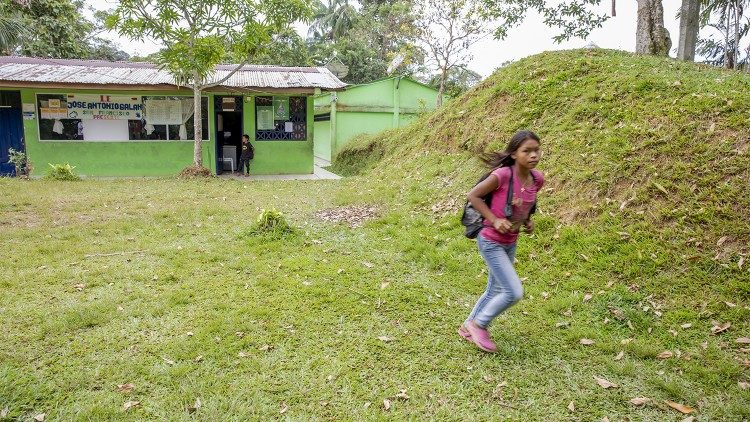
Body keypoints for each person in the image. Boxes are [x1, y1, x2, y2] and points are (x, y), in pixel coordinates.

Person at [459, 130, 544, 353]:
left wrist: (527, 220)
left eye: (536, 150)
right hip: (490, 240)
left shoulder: (537, 179)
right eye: (527, 151)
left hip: (511, 241)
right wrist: (494, 220)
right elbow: (473, 196)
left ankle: (467, 327)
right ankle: (479, 324)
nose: (533, 155)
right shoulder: (502, 175)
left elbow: (526, 202)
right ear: (514, 154)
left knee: (494, 289)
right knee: (513, 292)